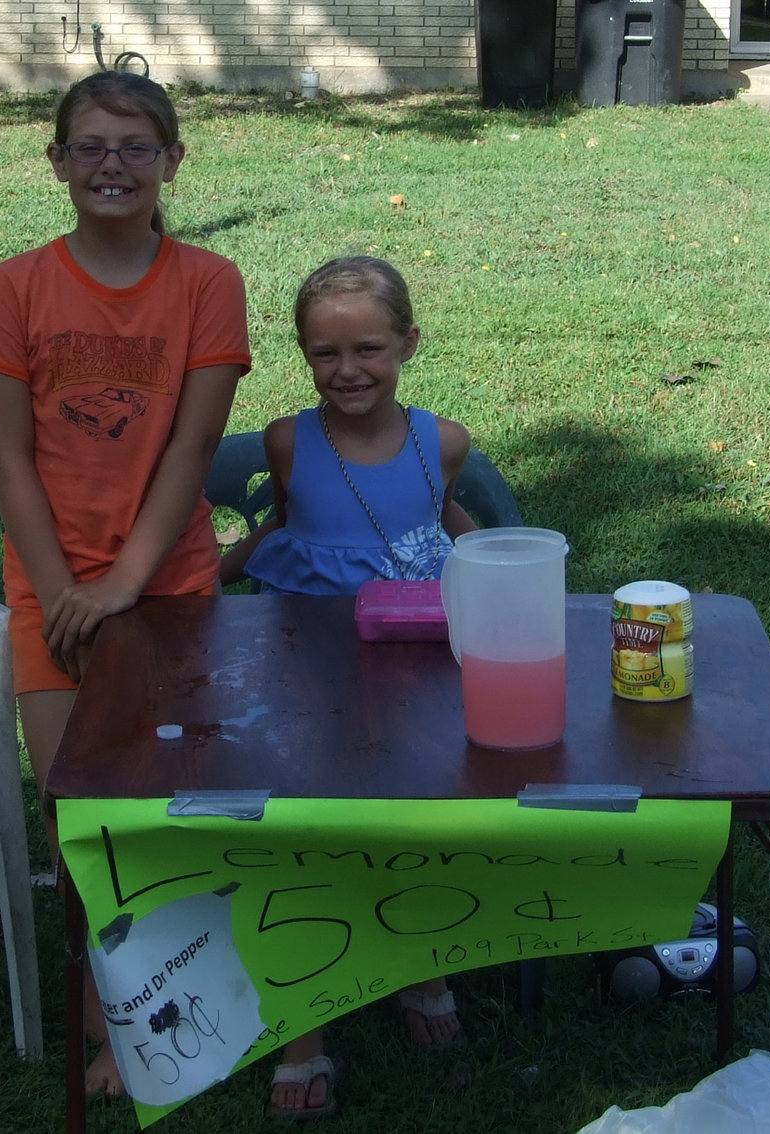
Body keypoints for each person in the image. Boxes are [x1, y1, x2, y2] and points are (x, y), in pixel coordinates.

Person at [0, 70, 251, 1097]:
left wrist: (126, 580)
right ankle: (114, 1029)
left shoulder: (207, 283)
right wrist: (63, 592)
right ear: (56, 163)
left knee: (181, 804)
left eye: (134, 147)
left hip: (167, 584)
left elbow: (192, 446)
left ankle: (213, 1003)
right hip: (53, 595)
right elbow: (9, 462)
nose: (112, 166)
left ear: (173, 161)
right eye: (89, 147)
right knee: (78, 813)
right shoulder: (14, 289)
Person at [222, 256, 476, 1119]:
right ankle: (307, 1029)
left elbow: (447, 522)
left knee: (423, 812)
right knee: (309, 831)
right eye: (325, 354)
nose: (349, 370)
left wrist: (510, 574)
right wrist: (193, 592)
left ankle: (421, 964)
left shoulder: (443, 440)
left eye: (369, 348)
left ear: (409, 342)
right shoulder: (290, 441)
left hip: (415, 664)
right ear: (302, 356)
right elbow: (279, 530)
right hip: (311, 670)